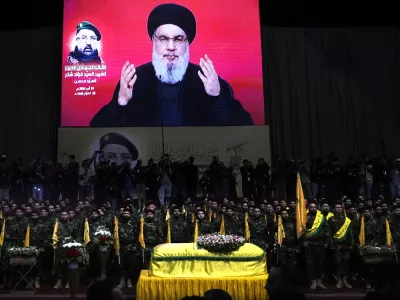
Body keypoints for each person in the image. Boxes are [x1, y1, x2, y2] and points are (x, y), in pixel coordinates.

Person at [90, 3, 253, 127]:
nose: (170, 47)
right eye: (163, 39)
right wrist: (120, 102)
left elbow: (246, 127)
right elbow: (96, 128)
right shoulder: (135, 80)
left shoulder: (207, 81)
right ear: (153, 41)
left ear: (187, 43)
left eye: (178, 39)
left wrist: (217, 97)